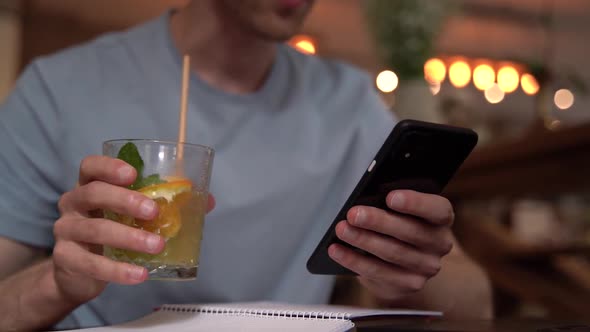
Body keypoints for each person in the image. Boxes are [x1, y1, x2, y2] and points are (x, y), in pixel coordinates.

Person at [0, 0, 492, 330]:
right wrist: (54, 285)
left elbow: (477, 308)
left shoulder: (349, 103)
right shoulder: (58, 89)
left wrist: (411, 273)